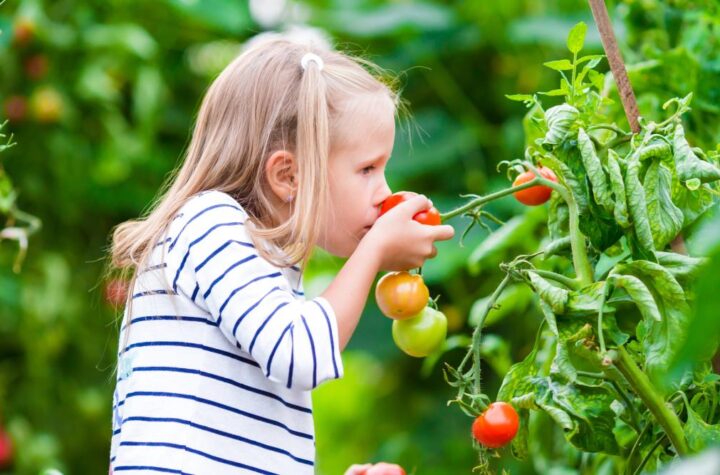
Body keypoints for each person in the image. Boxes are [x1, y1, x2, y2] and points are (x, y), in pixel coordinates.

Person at [106, 36, 454, 474]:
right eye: (367, 169)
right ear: (288, 175)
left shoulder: (261, 262)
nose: (384, 192)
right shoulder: (210, 224)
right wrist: (375, 248)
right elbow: (298, 355)